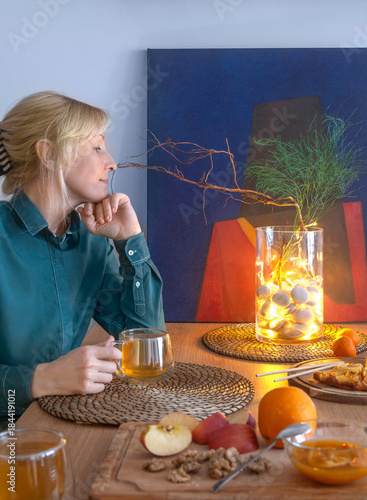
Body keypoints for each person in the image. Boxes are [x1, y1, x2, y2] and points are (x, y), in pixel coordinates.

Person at [0, 91, 165, 420]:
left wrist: (129, 240)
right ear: (48, 154)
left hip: (62, 425)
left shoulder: (91, 241)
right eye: (97, 147)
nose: (112, 162)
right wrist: (40, 379)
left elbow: (148, 346)